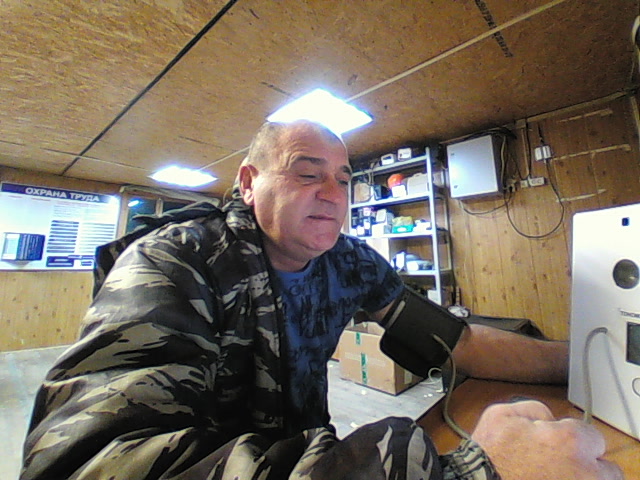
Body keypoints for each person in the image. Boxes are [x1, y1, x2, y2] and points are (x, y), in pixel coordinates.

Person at [20, 120, 621, 480]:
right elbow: (88, 463)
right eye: (307, 173)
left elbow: (456, 342)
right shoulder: (172, 262)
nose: (333, 193)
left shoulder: (349, 260)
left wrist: (588, 360)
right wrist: (463, 473)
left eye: (343, 178)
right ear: (249, 183)